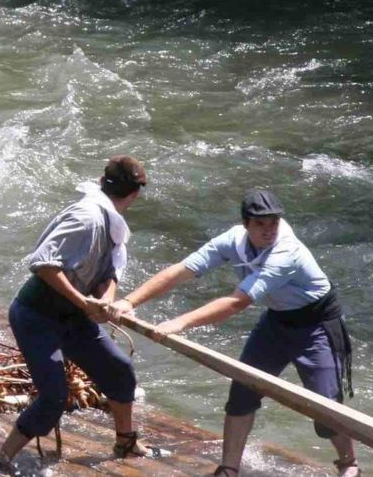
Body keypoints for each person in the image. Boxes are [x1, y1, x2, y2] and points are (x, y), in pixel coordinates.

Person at [107, 189, 358, 477]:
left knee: (326, 410)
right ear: (245, 224)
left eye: (273, 223)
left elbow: (237, 302)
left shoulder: (286, 252)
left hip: (316, 325)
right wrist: (129, 301)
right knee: (241, 394)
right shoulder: (232, 240)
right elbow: (182, 270)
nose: (268, 231)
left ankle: (350, 464)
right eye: (260, 225)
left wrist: (180, 323)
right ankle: (229, 469)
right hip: (276, 322)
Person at [0, 157, 168, 471]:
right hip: (37, 316)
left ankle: (125, 442)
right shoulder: (87, 217)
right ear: (133, 195)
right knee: (54, 395)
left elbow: (108, 272)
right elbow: (44, 263)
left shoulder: (112, 223)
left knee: (119, 369)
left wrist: (108, 302)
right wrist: (84, 302)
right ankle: (3, 458)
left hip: (73, 317)